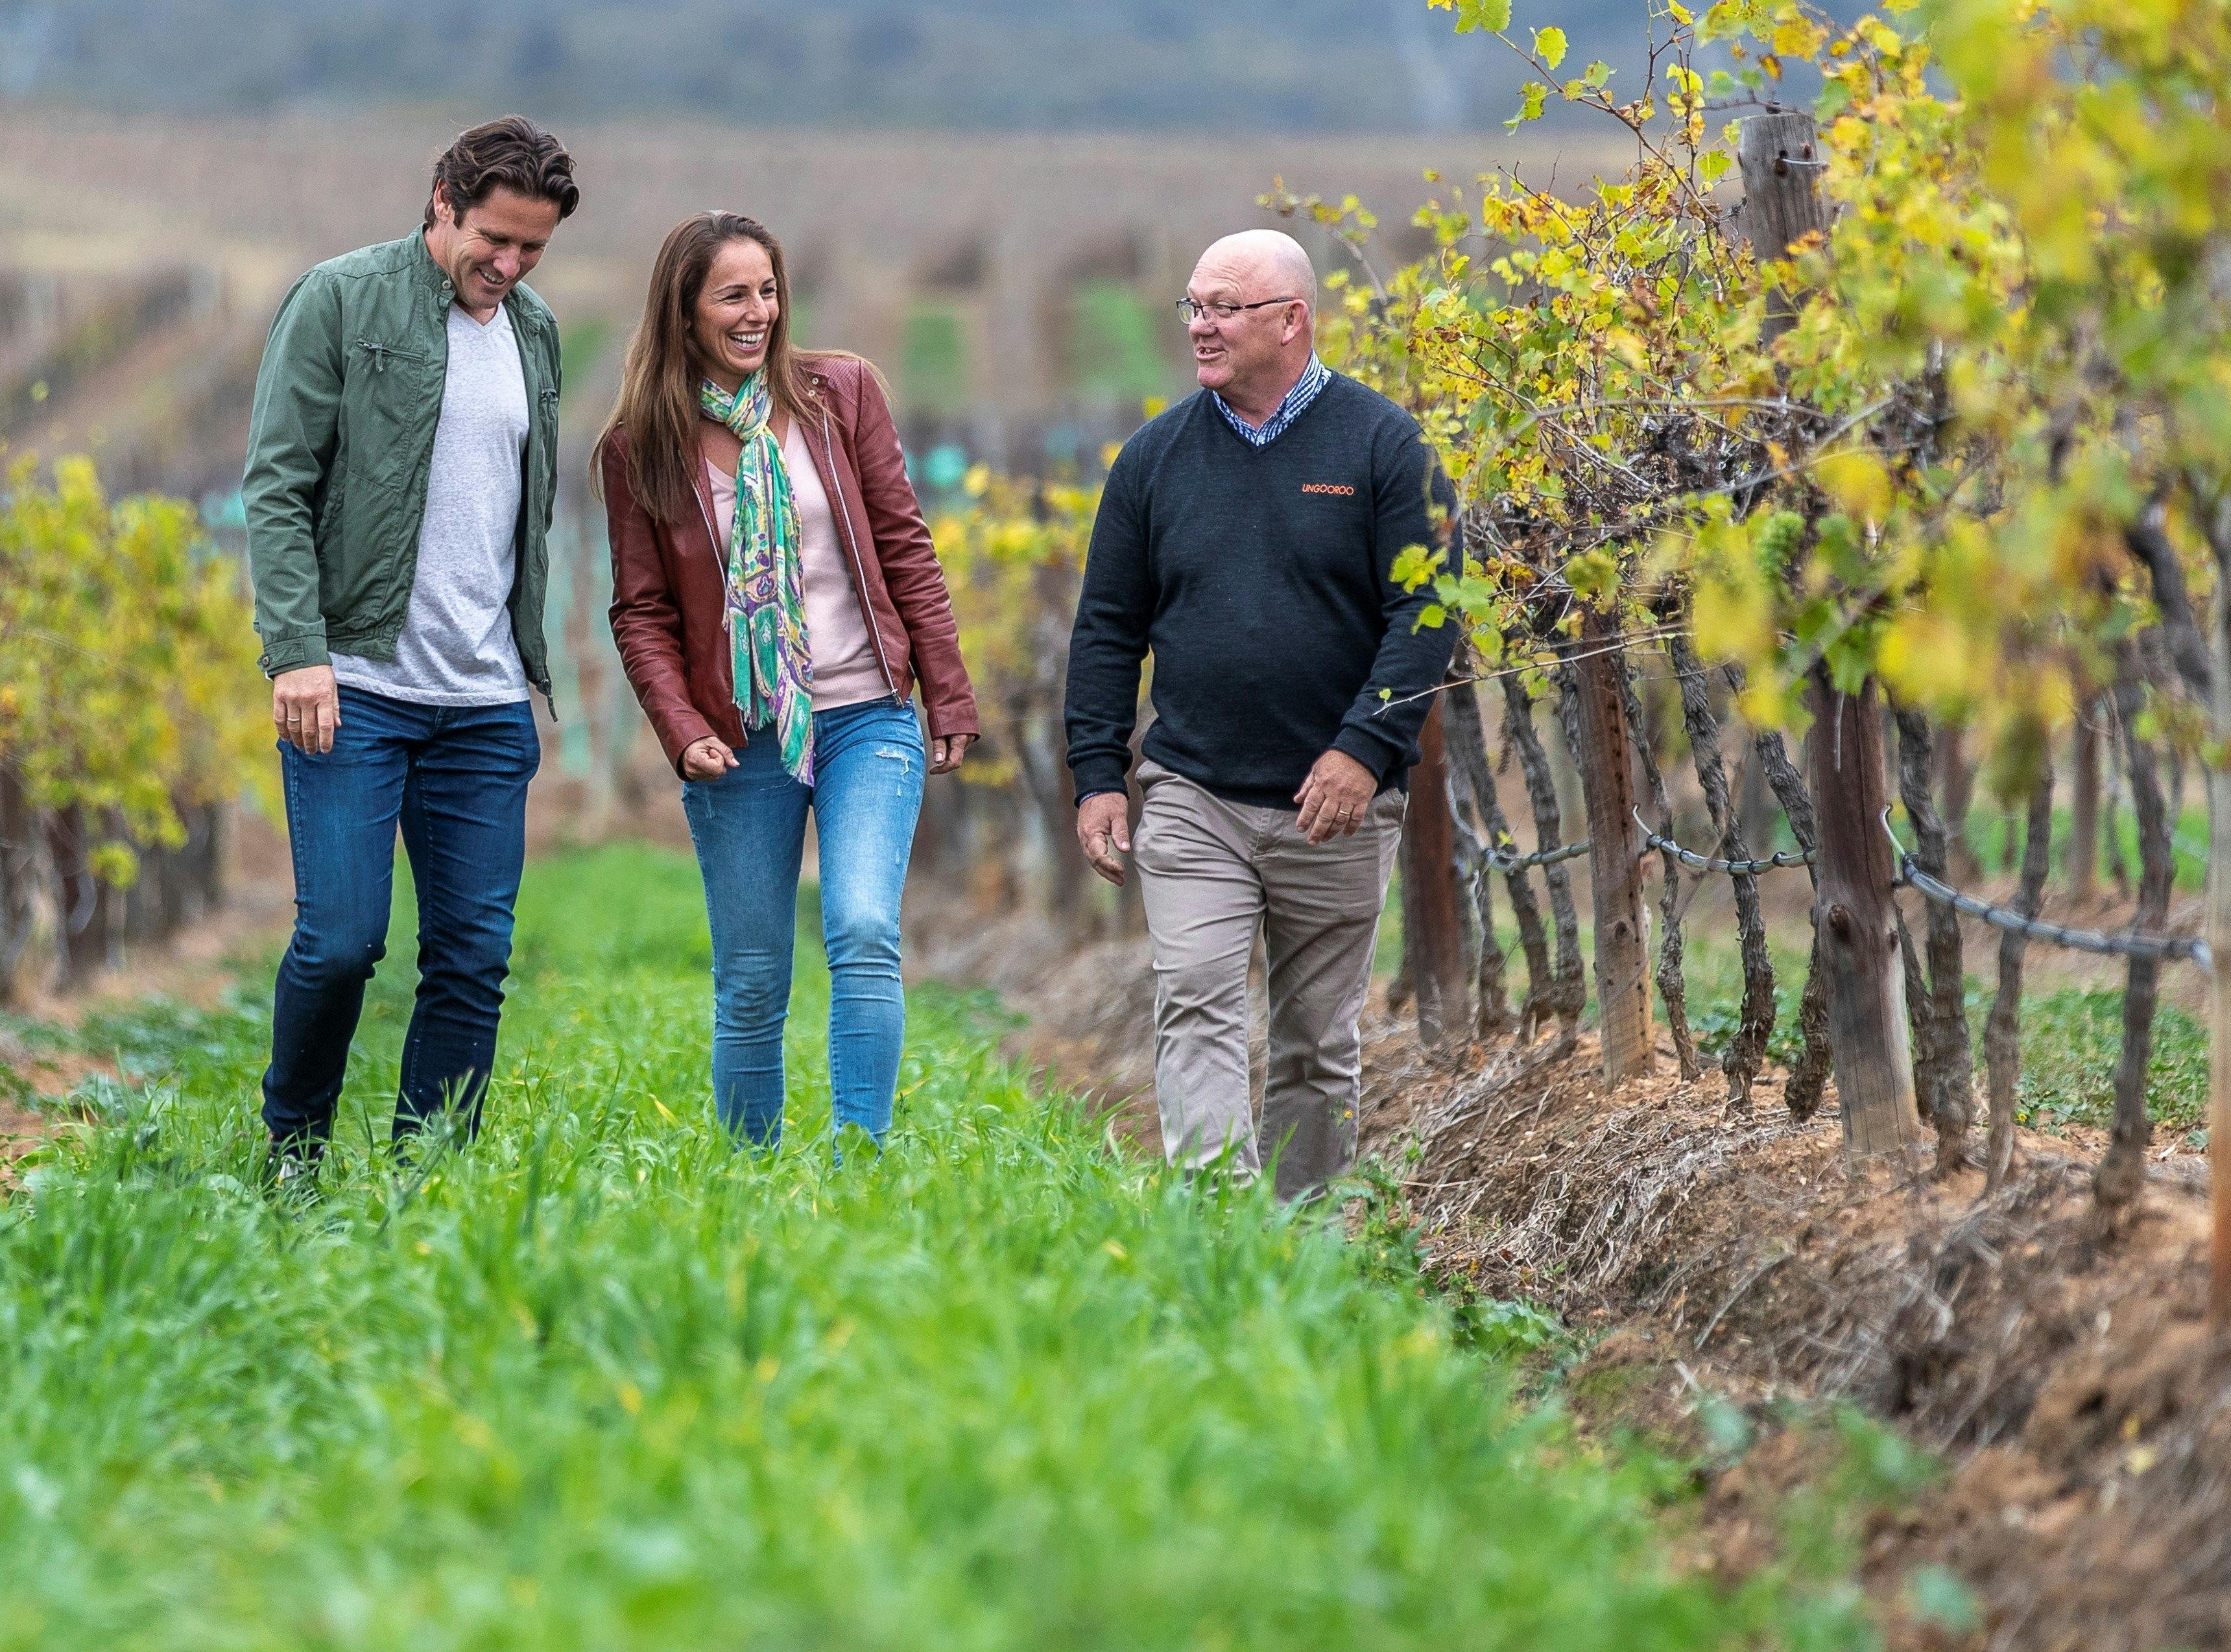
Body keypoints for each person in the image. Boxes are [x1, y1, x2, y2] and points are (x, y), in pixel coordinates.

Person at [1063, 227, 1457, 1198]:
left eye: (1223, 308)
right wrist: (1098, 774)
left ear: (1292, 320)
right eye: (1192, 306)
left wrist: (1363, 750)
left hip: (1335, 801)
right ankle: (1219, 1224)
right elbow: (1107, 627)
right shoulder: (1152, 460)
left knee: (1315, 1043)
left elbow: (1430, 608)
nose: (1199, 326)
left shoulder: (1383, 447)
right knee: (1193, 999)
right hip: (1193, 791)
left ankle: (1300, 1241)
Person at [598, 211, 979, 1144]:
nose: (757, 312)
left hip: (864, 713)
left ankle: (861, 1157)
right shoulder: (639, 447)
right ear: (683, 313)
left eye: (767, 290)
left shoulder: (838, 395)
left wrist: (947, 687)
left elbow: (902, 544)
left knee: (859, 928)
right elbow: (641, 611)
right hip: (739, 735)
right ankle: (749, 1174)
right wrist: (679, 723)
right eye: (732, 294)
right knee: (754, 973)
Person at [241, 115, 577, 1174]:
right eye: (493, 239)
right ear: (441, 198)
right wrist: (297, 650)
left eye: (532, 248)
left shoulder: (535, 333)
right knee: (341, 942)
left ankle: (425, 1179)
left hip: (482, 701)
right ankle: (292, 1151)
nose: (509, 266)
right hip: (354, 683)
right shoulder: (339, 299)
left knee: (472, 959)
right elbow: (277, 484)